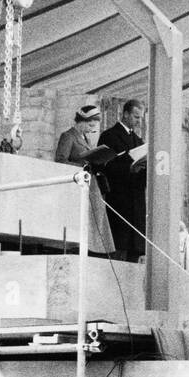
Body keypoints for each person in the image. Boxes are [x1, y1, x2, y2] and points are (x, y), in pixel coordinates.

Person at [54, 106, 114, 255]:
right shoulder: (68, 136)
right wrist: (82, 167)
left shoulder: (85, 138)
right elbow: (60, 160)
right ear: (81, 121)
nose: (90, 129)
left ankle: (93, 247)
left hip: (90, 184)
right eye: (89, 125)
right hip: (76, 185)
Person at [98, 100, 147, 260]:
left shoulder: (139, 141)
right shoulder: (109, 136)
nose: (138, 121)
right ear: (125, 114)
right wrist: (129, 168)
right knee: (118, 248)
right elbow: (103, 166)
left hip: (136, 201)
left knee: (134, 251)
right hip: (119, 200)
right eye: (136, 116)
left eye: (140, 118)